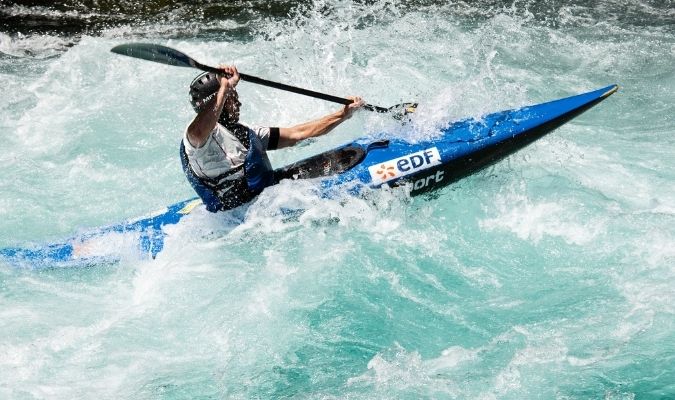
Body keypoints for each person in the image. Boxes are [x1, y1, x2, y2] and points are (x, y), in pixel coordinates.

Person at [180, 65, 365, 212]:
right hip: (242, 216)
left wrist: (342, 114)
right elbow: (199, 131)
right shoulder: (196, 142)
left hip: (266, 203)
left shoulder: (245, 133)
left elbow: (297, 134)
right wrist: (225, 89)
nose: (239, 102)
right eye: (233, 97)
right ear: (222, 98)